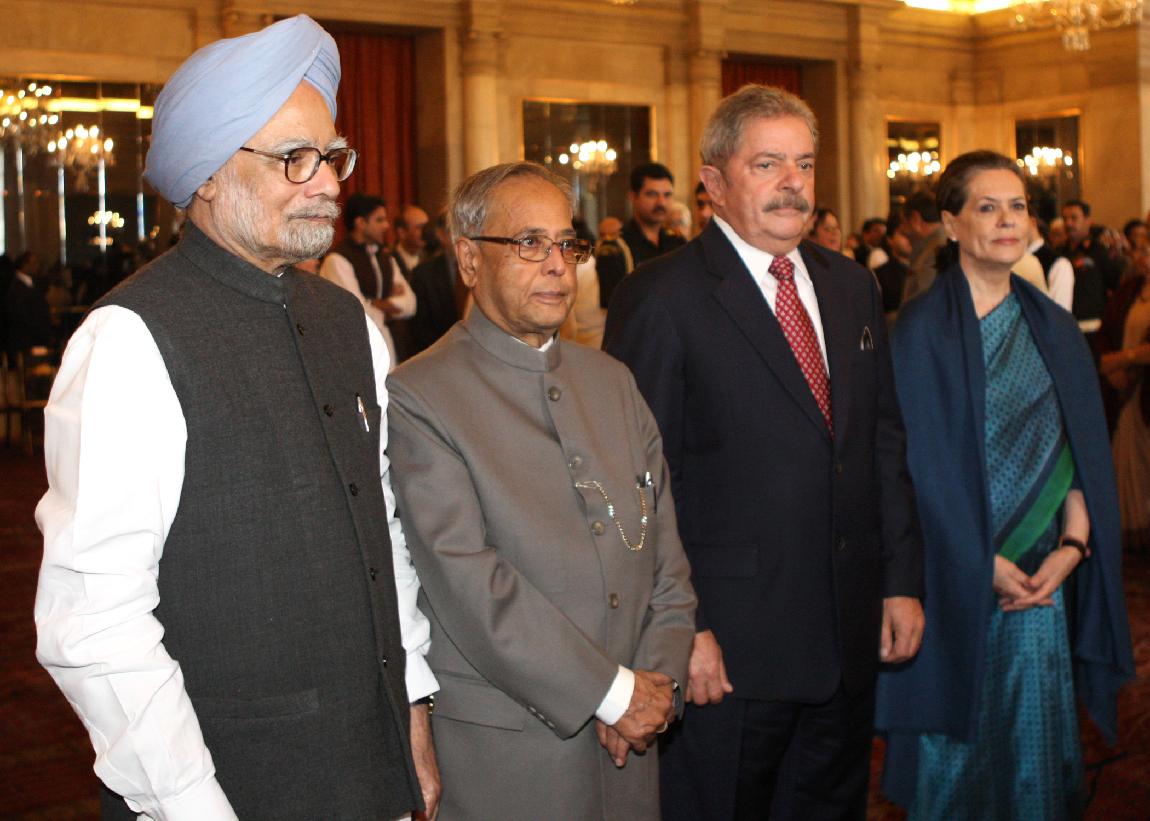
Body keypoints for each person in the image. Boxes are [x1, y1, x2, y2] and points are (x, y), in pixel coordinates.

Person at [33, 16, 440, 820]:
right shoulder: (129, 340)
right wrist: (192, 805)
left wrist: (414, 709)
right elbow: (94, 621)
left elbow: (382, 531)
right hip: (220, 783)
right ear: (210, 175)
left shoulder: (351, 323)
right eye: (294, 158)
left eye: (332, 156)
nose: (328, 183)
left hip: (371, 764)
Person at [604, 83, 924, 820]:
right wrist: (680, 628)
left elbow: (881, 444)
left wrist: (900, 580)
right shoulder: (661, 297)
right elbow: (641, 483)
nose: (792, 184)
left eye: (804, 164)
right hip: (729, 650)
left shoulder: (851, 286)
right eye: (767, 164)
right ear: (713, 183)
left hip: (846, 635)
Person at [386, 161, 697, 820]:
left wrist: (659, 681)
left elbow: (667, 561)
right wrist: (614, 694)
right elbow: (471, 584)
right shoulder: (421, 394)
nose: (558, 264)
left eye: (567, 243)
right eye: (529, 243)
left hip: (633, 743)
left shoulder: (612, 382)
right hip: (513, 757)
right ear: (469, 259)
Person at [876, 151, 1134, 819]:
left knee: (1034, 751)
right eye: (987, 208)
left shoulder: (1055, 328)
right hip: (954, 576)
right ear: (951, 224)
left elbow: (1079, 454)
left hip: (1040, 577)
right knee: (955, 755)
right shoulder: (918, 334)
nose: (1006, 221)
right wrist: (979, 562)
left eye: (1017, 206)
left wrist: (1072, 548)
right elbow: (908, 474)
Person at [320, 193, 416, 369]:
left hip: (388, 352)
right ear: (360, 223)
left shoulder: (385, 258)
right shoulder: (338, 259)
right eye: (379, 220)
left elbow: (410, 304)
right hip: (356, 356)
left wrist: (375, 303)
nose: (386, 226)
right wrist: (383, 307)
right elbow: (358, 313)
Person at [1100, 264, 1150, 551]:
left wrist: (1122, 360)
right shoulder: (1130, 289)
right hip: (1125, 395)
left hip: (1143, 389)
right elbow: (1106, 332)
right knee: (1128, 467)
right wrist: (1111, 367)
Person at [596, 163, 687, 308]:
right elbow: (613, 304)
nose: (661, 202)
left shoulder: (677, 241)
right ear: (633, 196)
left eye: (667, 195)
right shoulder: (615, 246)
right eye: (652, 194)